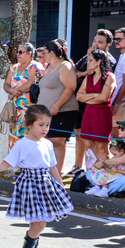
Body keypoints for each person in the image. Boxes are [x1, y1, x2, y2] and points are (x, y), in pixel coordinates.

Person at [0, 105, 73, 248]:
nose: (45, 129)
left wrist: (60, 184)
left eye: (48, 125)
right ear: (29, 124)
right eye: (40, 124)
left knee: (40, 222)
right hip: (29, 184)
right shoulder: (22, 144)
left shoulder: (48, 144)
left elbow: (52, 166)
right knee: (39, 222)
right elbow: (7, 163)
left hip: (45, 184)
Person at [37, 39, 78, 172]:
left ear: (52, 52)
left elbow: (70, 87)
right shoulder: (49, 66)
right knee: (46, 141)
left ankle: (56, 174)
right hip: (45, 112)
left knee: (57, 141)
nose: (43, 55)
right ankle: (48, 171)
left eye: (45, 52)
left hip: (62, 111)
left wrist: (56, 106)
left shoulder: (65, 66)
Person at [77, 49, 116, 161]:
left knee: (101, 147)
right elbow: (79, 96)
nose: (87, 63)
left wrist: (87, 98)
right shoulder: (88, 77)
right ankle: (90, 174)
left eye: (90, 60)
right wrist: (95, 95)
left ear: (99, 62)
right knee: (88, 146)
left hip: (102, 114)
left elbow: (104, 98)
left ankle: (105, 175)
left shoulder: (109, 77)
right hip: (88, 113)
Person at [4, 42, 39, 149]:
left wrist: (15, 92)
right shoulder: (14, 67)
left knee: (27, 136)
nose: (18, 54)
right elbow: (6, 84)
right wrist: (11, 90)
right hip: (15, 109)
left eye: (21, 52)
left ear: (29, 54)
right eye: (17, 52)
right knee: (14, 135)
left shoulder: (34, 66)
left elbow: (31, 83)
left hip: (29, 107)